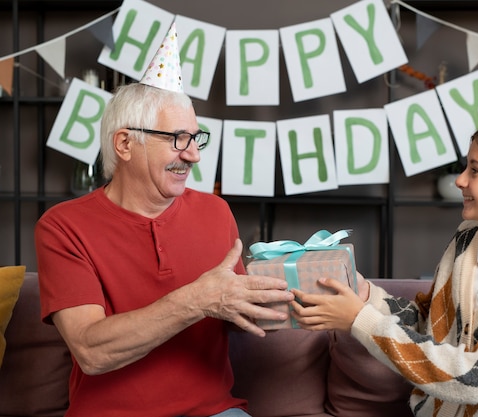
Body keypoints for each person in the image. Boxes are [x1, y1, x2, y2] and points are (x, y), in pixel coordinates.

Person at [290, 58, 478, 416]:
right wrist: (366, 295)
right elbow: (431, 324)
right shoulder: (466, 241)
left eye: (475, 170)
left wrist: (359, 320)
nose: (460, 180)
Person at [35, 23, 294, 417]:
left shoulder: (215, 211)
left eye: (196, 138)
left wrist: (283, 303)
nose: (193, 155)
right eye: (177, 139)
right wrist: (196, 300)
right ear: (125, 144)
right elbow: (91, 351)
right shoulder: (62, 227)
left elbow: (233, 311)